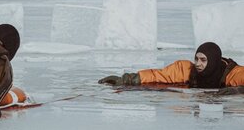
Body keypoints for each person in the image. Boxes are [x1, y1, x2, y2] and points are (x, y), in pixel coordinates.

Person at [99, 42, 244, 92]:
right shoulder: (187, 69)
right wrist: (128, 79)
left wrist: (237, 91)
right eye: (196, 59)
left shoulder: (233, 74)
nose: (198, 64)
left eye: (203, 60)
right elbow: (159, 75)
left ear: (213, 61)